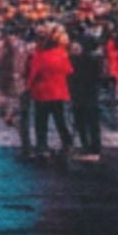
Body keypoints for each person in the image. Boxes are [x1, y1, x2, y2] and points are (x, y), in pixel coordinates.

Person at [26, 27, 75, 166]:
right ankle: (67, 142)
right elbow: (69, 70)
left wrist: (28, 87)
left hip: (42, 92)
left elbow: (33, 74)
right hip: (58, 92)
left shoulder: (39, 55)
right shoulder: (61, 54)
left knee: (41, 122)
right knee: (60, 119)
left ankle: (42, 146)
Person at [69, 32, 103, 161]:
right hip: (91, 95)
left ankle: (87, 147)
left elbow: (72, 77)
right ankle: (95, 148)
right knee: (93, 124)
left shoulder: (77, 60)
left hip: (80, 95)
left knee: (81, 123)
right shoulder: (95, 61)